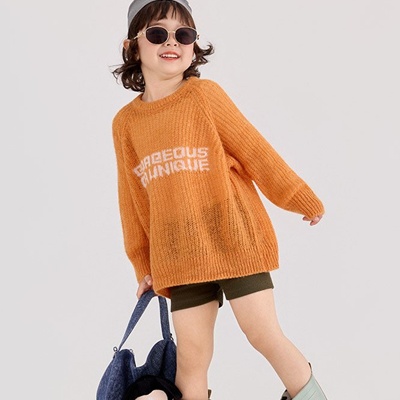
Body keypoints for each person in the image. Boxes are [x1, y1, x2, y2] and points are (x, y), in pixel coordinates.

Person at [111, 1, 328, 399]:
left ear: (194, 46)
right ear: (132, 47)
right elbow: (132, 198)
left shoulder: (205, 97)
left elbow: (255, 152)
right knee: (192, 359)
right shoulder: (125, 123)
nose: (172, 42)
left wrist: (298, 196)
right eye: (157, 34)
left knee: (263, 333)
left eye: (184, 35)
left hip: (233, 236)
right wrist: (144, 264)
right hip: (178, 252)